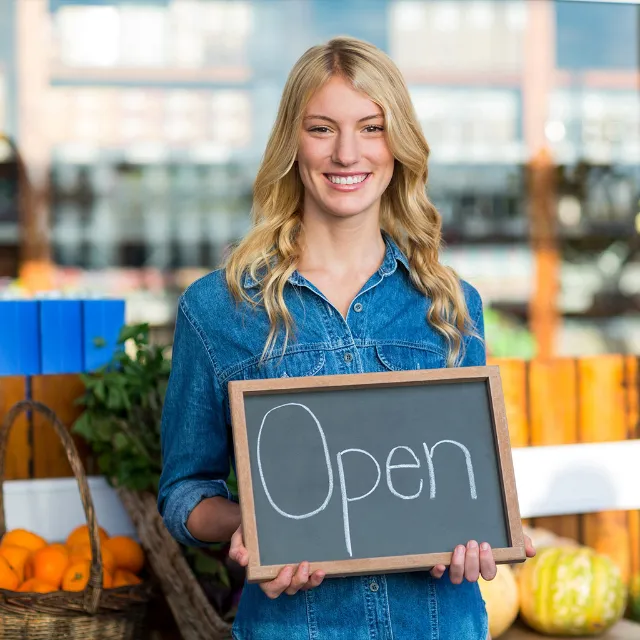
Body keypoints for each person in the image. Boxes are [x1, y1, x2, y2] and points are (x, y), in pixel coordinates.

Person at [158, 36, 535, 640]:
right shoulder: (218, 309)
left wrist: (486, 534)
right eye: (321, 128)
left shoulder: (450, 305)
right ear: (292, 142)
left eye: (371, 127)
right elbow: (184, 492)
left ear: (398, 145)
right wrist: (252, 526)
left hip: (440, 626)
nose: (346, 153)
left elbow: (468, 487)